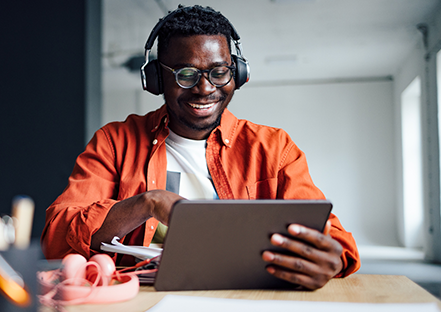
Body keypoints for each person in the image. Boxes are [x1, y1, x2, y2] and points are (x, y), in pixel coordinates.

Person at [41, 4, 360, 290]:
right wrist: (148, 203)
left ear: (237, 74)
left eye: (219, 72)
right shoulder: (114, 142)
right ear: (155, 79)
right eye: (186, 74)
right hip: (143, 299)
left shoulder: (275, 148)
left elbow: (335, 240)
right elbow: (56, 238)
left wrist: (329, 257)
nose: (205, 89)